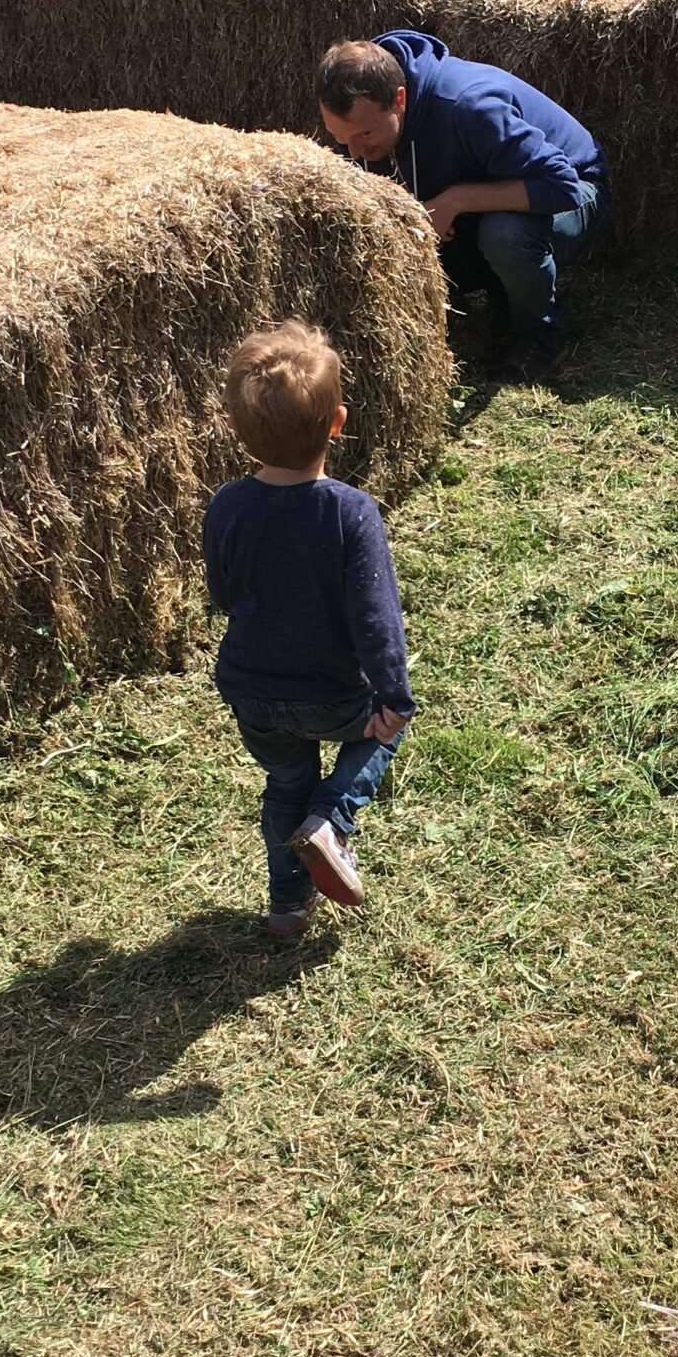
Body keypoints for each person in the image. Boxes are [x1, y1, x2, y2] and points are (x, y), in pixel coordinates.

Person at [203, 322, 412, 941]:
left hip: (252, 691)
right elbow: (376, 617)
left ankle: (287, 908)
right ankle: (332, 821)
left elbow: (223, 594)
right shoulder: (350, 511)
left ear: (237, 429)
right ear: (338, 422)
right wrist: (394, 697)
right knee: (384, 730)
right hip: (331, 693)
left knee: (285, 782)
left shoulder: (226, 504)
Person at [317, 30, 609, 379]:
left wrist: (456, 200)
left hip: (575, 190)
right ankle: (501, 290)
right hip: (484, 203)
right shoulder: (361, 129)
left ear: (399, 100)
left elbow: (561, 186)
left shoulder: (467, 105)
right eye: (340, 138)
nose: (353, 152)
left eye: (365, 134)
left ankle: (540, 335)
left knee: (506, 234)